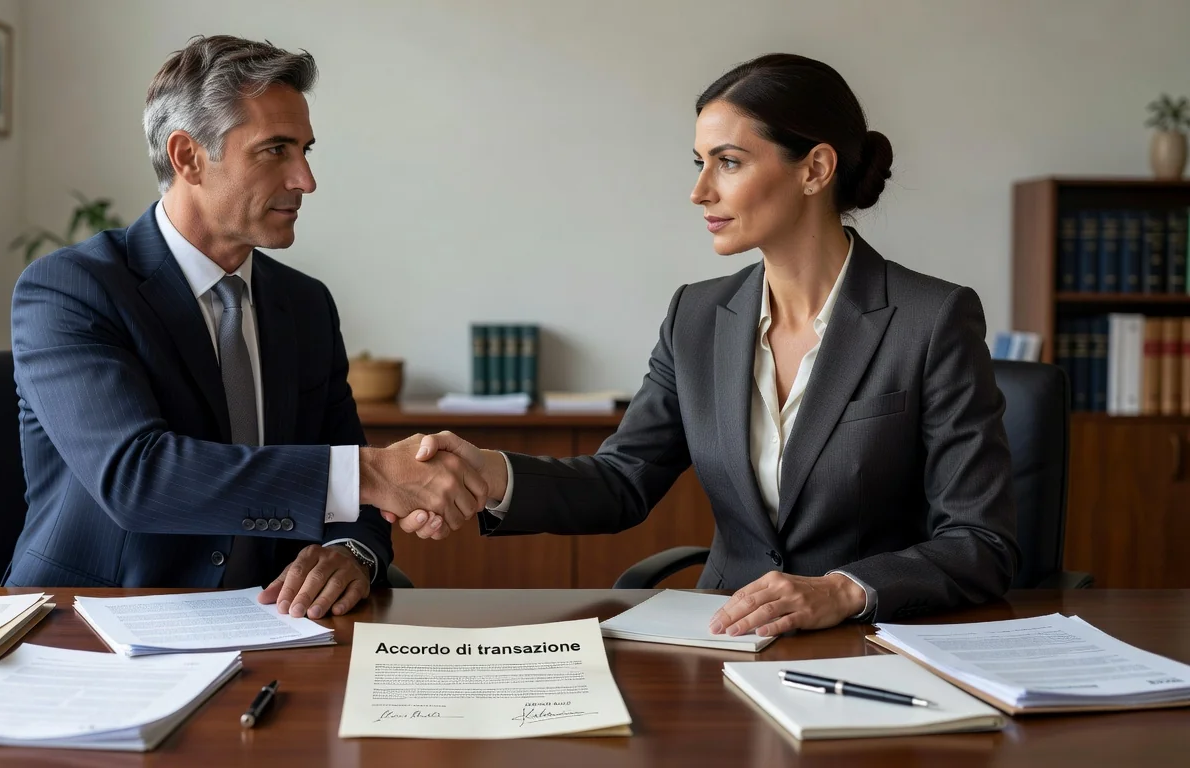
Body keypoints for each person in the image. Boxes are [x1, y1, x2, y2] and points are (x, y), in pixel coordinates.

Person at [395, 53, 1019, 632]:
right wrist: (491, 475)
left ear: (816, 169)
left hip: (869, 643)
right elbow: (621, 481)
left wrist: (843, 589)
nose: (700, 192)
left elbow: (981, 541)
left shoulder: (930, 318)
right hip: (723, 636)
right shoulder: (696, 315)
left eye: (729, 162)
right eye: (701, 164)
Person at [7, 36, 487, 619]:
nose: (305, 180)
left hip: (271, 622)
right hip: (92, 623)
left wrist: (352, 552)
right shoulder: (70, 290)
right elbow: (138, 478)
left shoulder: (306, 305)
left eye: (306, 150)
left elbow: (352, 483)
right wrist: (372, 474)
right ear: (187, 156)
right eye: (275, 150)